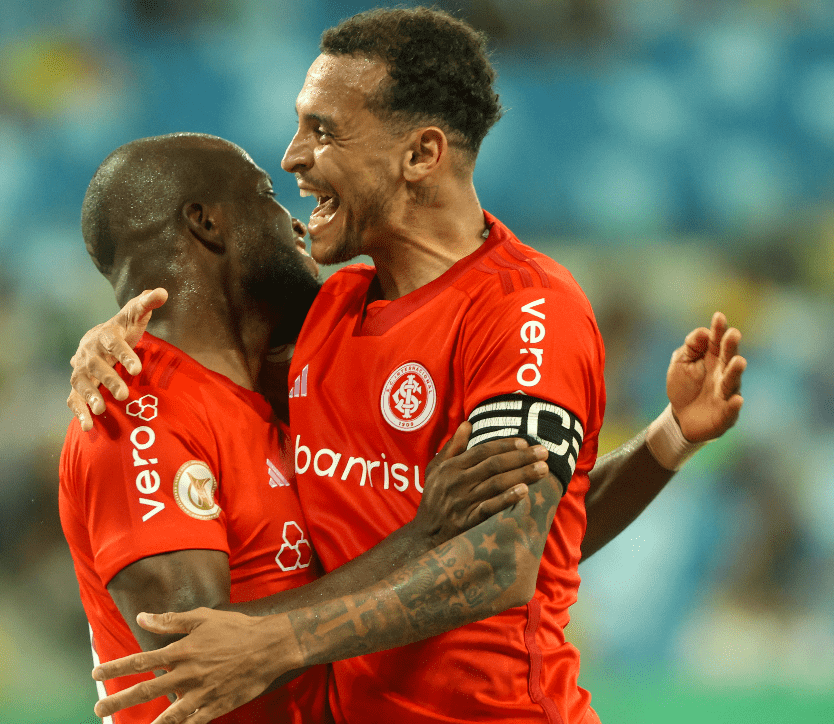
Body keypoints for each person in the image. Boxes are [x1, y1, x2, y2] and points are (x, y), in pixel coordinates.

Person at [67, 8, 747, 724]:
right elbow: (202, 368)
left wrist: (275, 641)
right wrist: (117, 344)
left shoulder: (522, 312)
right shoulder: (330, 312)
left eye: (323, 130)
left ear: (421, 154)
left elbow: (505, 553)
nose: (293, 157)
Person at [60, 132, 558, 724]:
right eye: (267, 196)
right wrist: (421, 540)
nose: (296, 225)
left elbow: (519, 533)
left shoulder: (289, 390)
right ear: (206, 223)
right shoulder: (131, 414)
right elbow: (194, 658)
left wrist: (670, 440)